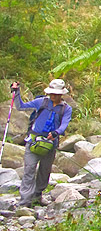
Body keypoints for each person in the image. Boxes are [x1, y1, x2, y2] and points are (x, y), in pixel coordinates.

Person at [10, 79, 73, 207]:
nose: (53, 96)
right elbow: (21, 106)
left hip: (50, 145)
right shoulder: (41, 102)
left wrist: (56, 132)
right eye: (52, 94)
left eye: (56, 94)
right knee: (29, 169)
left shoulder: (66, 109)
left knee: (45, 171)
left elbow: (64, 124)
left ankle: (37, 196)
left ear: (61, 94)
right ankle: (25, 201)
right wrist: (16, 93)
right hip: (33, 142)